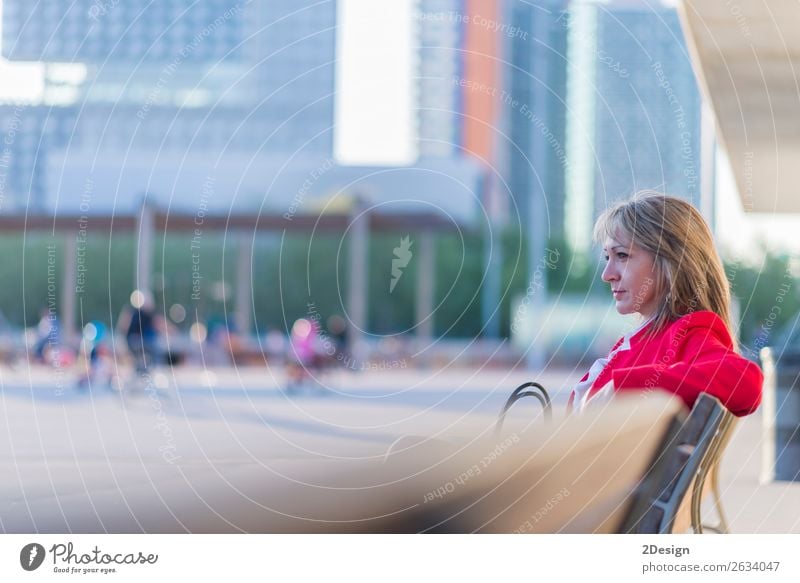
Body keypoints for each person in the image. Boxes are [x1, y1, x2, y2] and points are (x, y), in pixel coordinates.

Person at [569, 192, 762, 417]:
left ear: (669, 263)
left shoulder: (688, 333)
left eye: (622, 255)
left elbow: (746, 381)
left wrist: (621, 387)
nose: (607, 274)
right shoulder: (649, 337)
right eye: (607, 257)